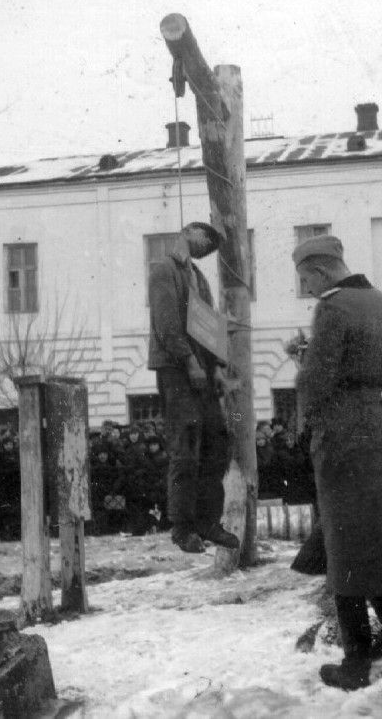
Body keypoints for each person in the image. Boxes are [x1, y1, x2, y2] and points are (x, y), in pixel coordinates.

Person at [293, 234, 382, 691]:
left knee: (344, 538)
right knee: (376, 532)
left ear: (322, 271)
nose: (306, 289)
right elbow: (362, 363)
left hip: (346, 431)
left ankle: (355, 661)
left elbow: (318, 381)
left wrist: (302, 407)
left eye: (305, 280)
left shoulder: (333, 307)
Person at [147, 221, 239, 554]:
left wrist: (215, 368)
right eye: (206, 239)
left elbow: (209, 328)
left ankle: (209, 523)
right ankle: (182, 528)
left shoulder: (198, 277)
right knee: (185, 449)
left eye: (213, 246)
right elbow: (167, 325)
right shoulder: (164, 270)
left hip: (203, 372)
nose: (208, 247)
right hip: (177, 370)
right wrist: (190, 363)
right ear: (187, 231)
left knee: (216, 446)